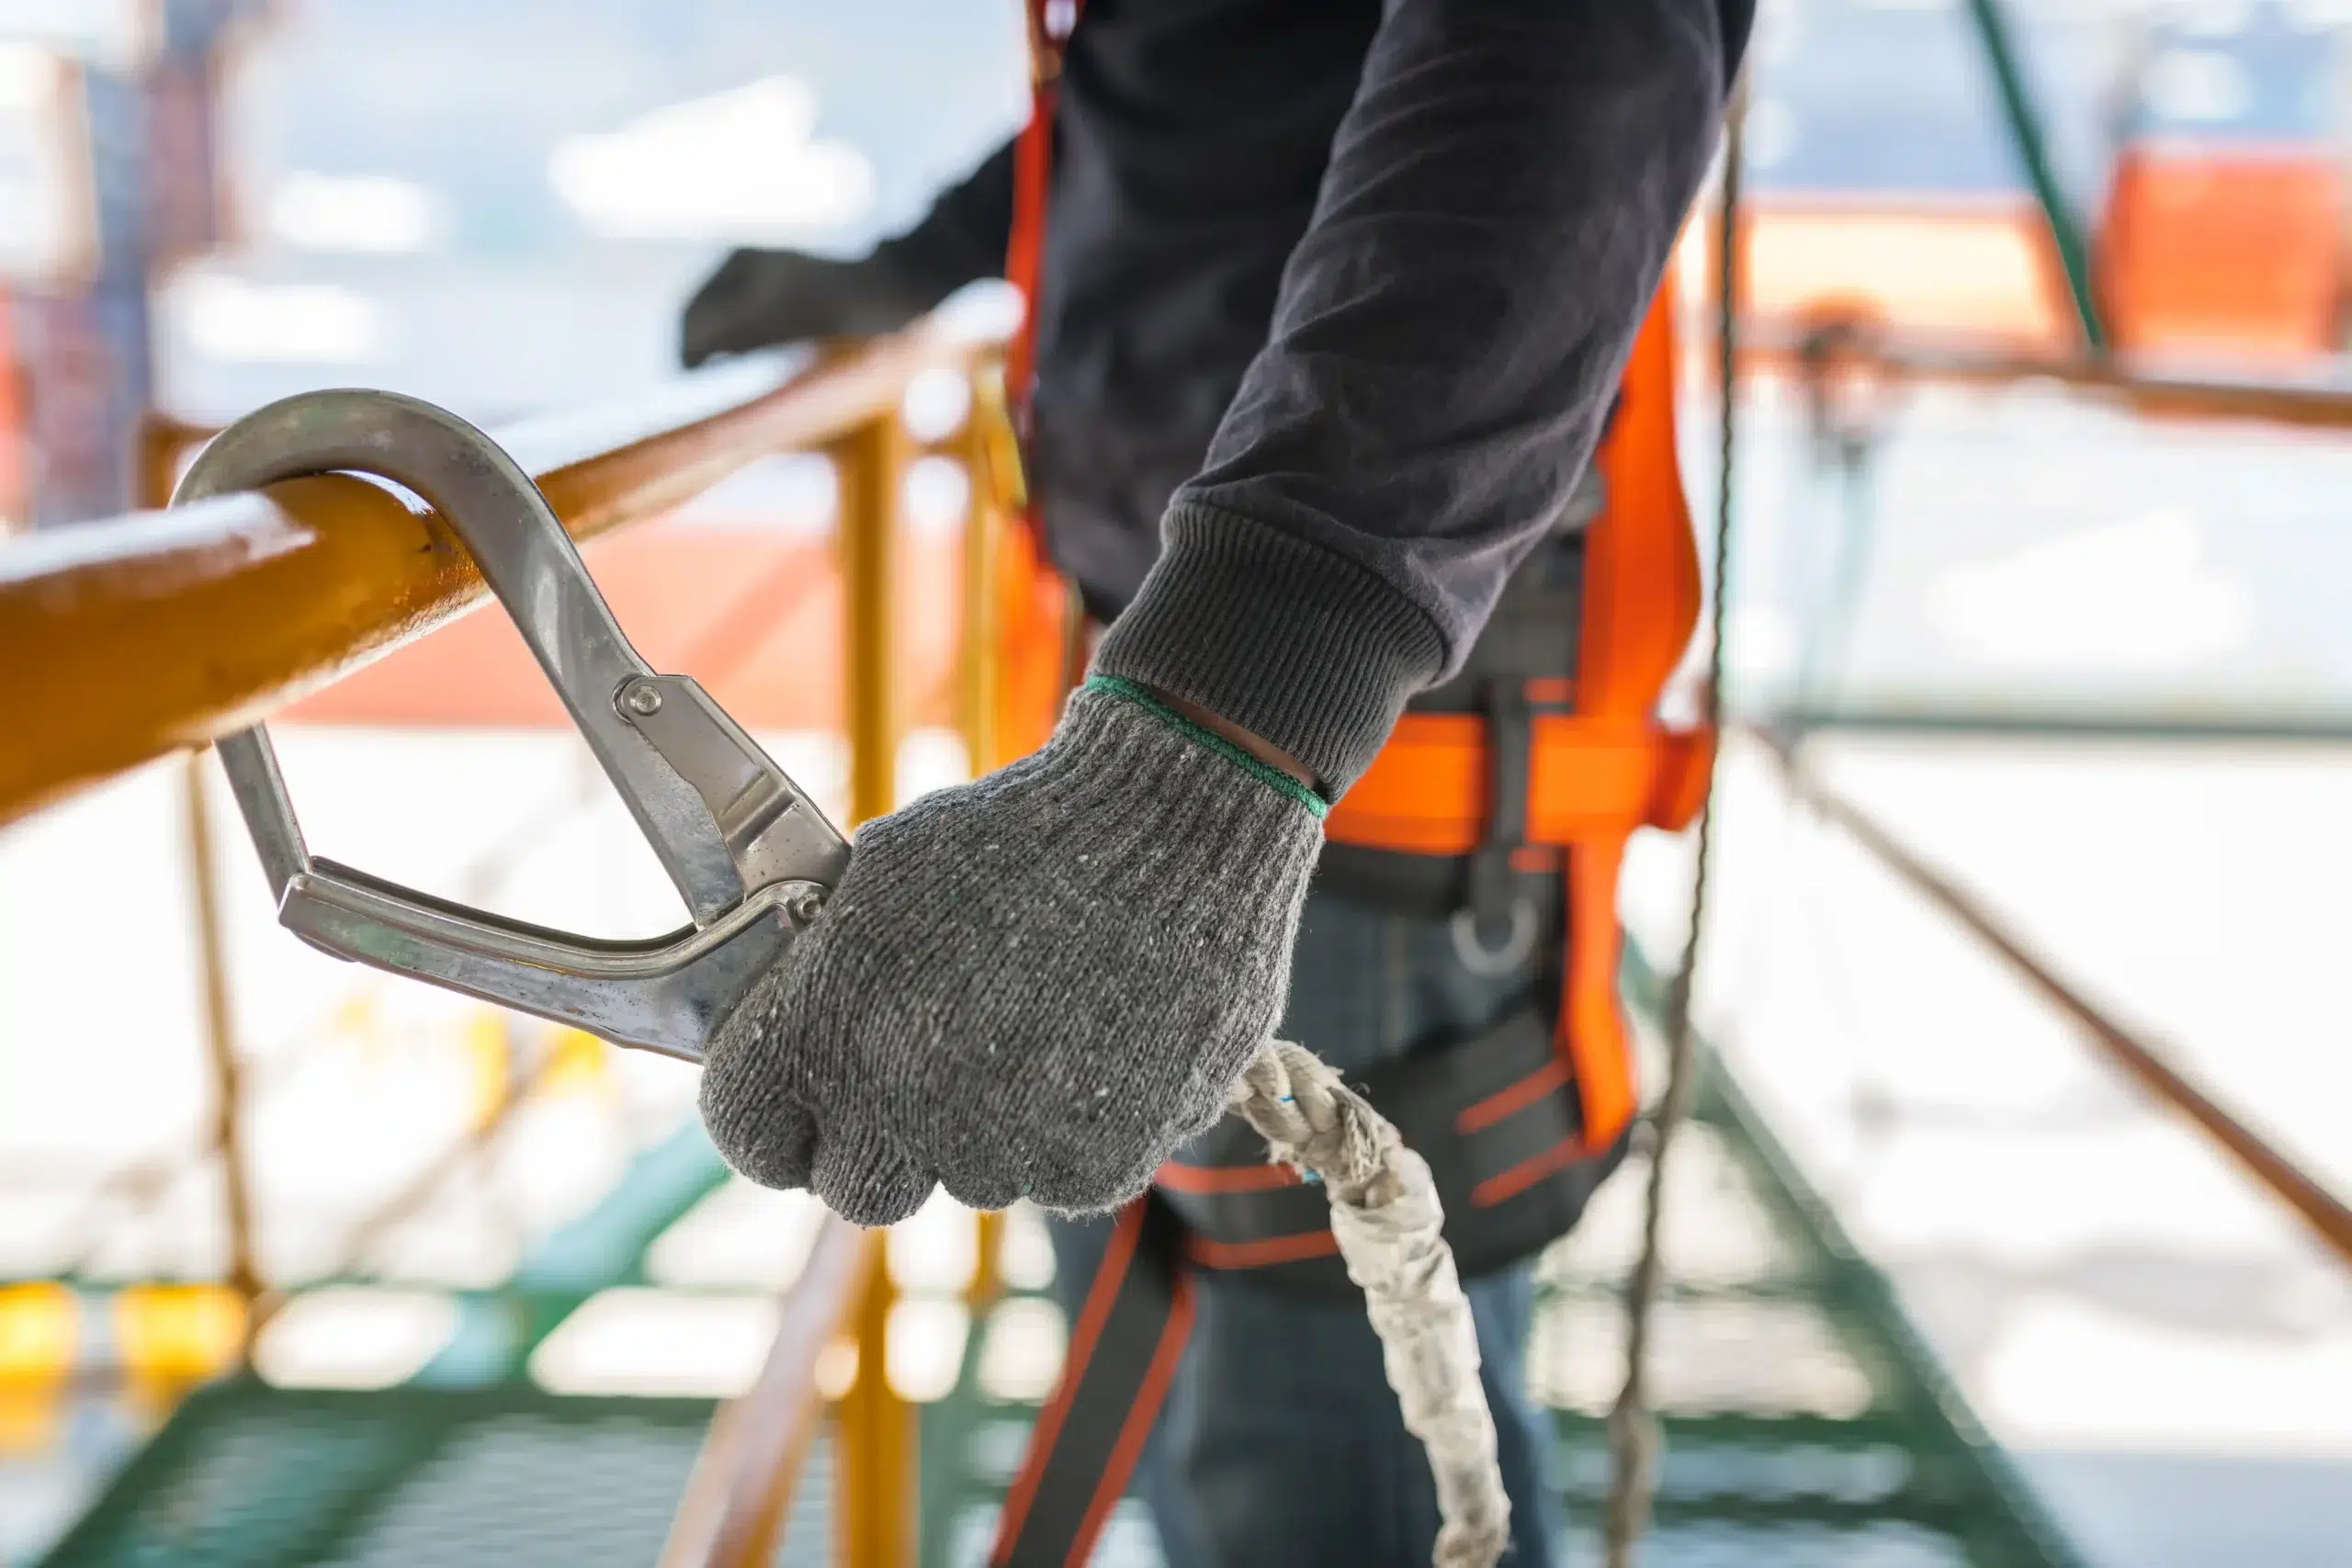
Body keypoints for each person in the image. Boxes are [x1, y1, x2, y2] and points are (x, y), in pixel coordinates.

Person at [688, 4, 1751, 1563]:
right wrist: (933, 256)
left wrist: (1229, 722)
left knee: (1320, 1482)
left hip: (1321, 770)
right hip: (1167, 720)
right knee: (1205, 1442)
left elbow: (1559, 49)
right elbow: (1226, 66)